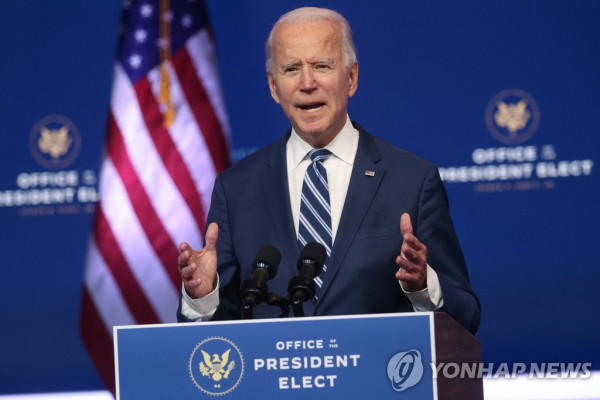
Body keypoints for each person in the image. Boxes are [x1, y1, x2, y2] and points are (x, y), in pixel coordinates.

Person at [177, 6, 480, 334]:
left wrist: (423, 285)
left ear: (351, 77)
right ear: (274, 87)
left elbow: (466, 316)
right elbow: (216, 341)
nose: (307, 83)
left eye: (322, 66)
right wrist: (203, 296)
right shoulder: (236, 188)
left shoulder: (412, 181)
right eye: (291, 69)